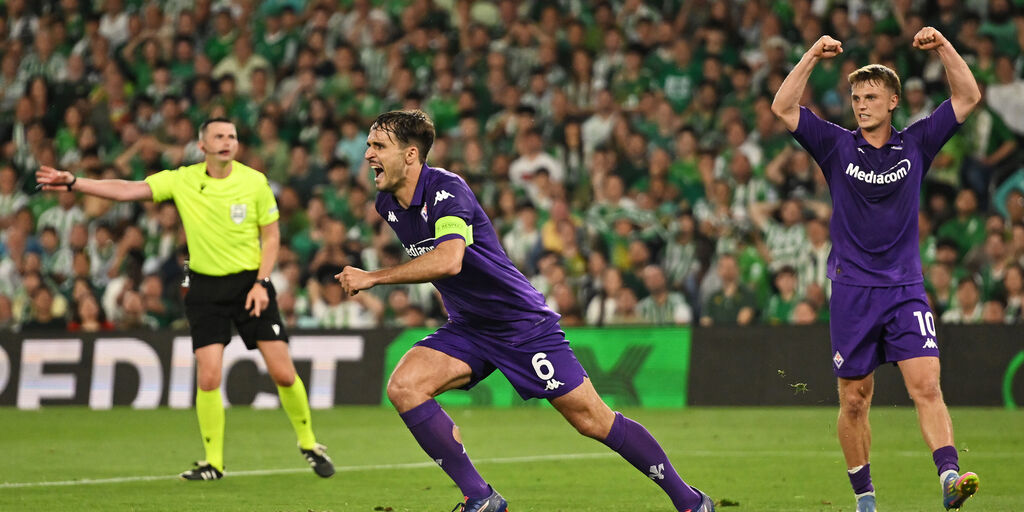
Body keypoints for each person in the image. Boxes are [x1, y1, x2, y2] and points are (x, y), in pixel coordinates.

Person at [336, 110, 715, 512]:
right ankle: (481, 498)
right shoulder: (387, 204)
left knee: (592, 420)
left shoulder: (447, 190)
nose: (368, 154)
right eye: (369, 145)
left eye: (379, 146)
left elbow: (448, 259)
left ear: (411, 154)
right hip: (469, 327)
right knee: (404, 386)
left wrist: (373, 277)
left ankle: (691, 502)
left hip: (520, 325)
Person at [35, 118, 334, 482]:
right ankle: (213, 463)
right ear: (202, 145)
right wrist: (75, 182)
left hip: (250, 284)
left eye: (232, 136)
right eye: (219, 136)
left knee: (283, 372)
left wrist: (262, 282)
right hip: (206, 288)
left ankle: (309, 442)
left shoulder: (254, 182)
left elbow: (271, 237)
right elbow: (128, 190)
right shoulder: (183, 180)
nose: (227, 141)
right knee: (208, 376)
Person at [771, 28, 981, 512]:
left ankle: (949, 478)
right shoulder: (835, 145)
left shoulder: (918, 143)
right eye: (856, 98)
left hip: (905, 289)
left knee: (926, 386)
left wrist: (943, 46)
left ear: (893, 102)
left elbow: (968, 96)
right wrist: (811, 54)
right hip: (852, 291)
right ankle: (865, 500)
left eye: (870, 97)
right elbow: (783, 107)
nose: (861, 105)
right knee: (854, 400)